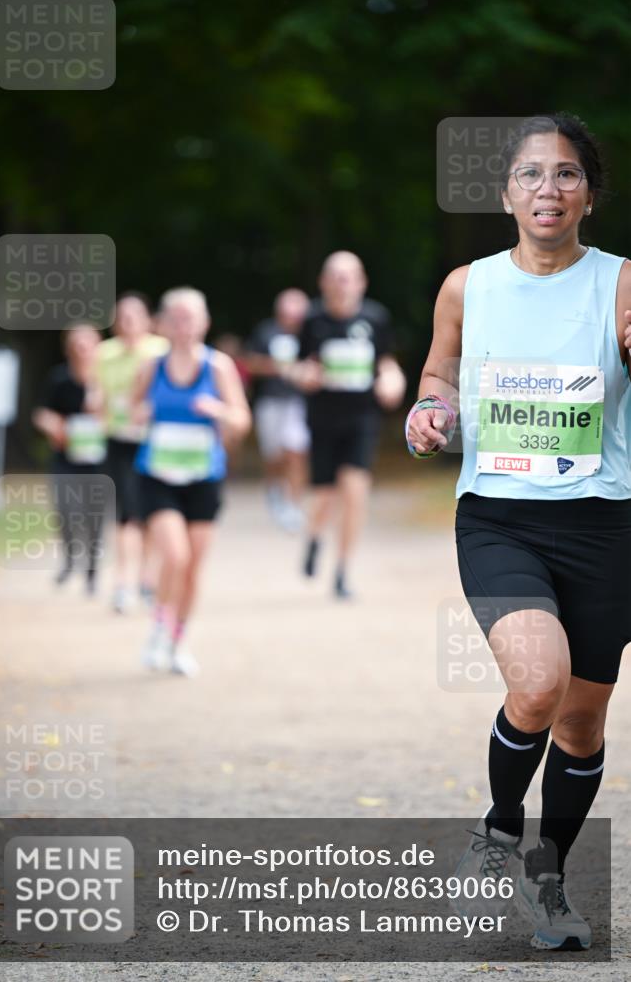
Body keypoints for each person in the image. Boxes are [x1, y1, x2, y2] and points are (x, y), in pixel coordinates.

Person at [406, 113, 631, 951]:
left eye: (566, 174)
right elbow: (437, 372)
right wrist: (430, 411)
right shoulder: (469, 285)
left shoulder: (620, 281)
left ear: (588, 194)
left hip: (606, 523)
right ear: (506, 193)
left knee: (579, 724)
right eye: (531, 174)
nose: (548, 189)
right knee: (537, 683)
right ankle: (498, 829)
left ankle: (548, 875)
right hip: (499, 518)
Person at [132, 287, 251, 675]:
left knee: (192, 567)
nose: (184, 326)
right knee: (175, 556)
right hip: (158, 475)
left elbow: (241, 420)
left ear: (204, 322)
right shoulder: (153, 366)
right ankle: (158, 629)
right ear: (164, 324)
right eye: (177, 318)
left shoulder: (217, 367)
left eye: (191, 318)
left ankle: (178, 642)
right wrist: (141, 412)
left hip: (203, 477)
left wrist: (218, 410)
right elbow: (131, 408)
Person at [296, 251, 405, 597]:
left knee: (355, 492)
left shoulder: (375, 318)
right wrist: (305, 375)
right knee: (325, 495)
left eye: (349, 276)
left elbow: (387, 362)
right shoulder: (312, 320)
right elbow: (299, 365)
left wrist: (393, 380)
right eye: (335, 276)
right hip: (323, 418)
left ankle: (343, 570)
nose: (342, 284)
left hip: (361, 418)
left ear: (361, 282)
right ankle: (313, 537)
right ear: (323, 282)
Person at [94, 292, 169, 613]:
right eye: (121, 318)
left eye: (133, 317)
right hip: (119, 439)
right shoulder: (104, 353)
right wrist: (96, 405)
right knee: (126, 513)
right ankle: (122, 583)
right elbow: (95, 390)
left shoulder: (160, 351)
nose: (127, 324)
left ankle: (147, 580)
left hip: (153, 440)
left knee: (151, 515)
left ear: (147, 321)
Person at [33, 324, 106, 594]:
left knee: (93, 514)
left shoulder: (105, 379)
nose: (83, 350)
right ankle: (69, 558)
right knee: (65, 509)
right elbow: (41, 413)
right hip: (65, 455)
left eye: (88, 344)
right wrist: (53, 425)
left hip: (99, 458)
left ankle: (92, 571)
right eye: (77, 344)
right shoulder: (59, 379)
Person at [245, 288, 311, 531]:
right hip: (271, 401)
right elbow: (250, 363)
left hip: (299, 402)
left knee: (296, 452)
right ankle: (274, 489)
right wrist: (280, 368)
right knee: (274, 455)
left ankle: (294, 504)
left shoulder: (310, 333)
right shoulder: (266, 331)